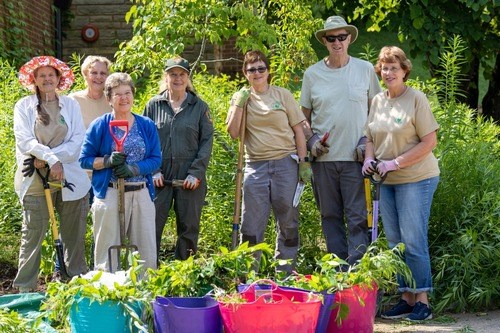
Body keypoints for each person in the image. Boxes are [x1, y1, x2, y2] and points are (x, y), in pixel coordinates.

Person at [362, 46, 440, 321]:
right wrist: (368, 159)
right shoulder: (378, 101)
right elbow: (370, 137)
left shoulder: (416, 98)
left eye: (394, 67)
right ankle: (406, 297)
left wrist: (394, 163)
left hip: (417, 178)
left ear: (405, 70)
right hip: (387, 180)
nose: (389, 72)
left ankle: (423, 301)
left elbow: (430, 141)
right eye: (384, 67)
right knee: (396, 242)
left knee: (413, 238)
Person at [300, 16, 382, 265]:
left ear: (349, 39)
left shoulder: (365, 69)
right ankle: (337, 270)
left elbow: (378, 111)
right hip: (323, 161)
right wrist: (312, 139)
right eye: (331, 38)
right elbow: (301, 118)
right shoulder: (312, 74)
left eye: (342, 37)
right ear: (324, 41)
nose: (337, 42)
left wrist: (366, 142)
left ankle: (357, 272)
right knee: (329, 216)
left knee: (358, 216)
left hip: (356, 159)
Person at [226, 50, 311, 273]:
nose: (257, 73)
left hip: (286, 164)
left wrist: (303, 162)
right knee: (251, 224)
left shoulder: (282, 95)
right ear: (245, 73)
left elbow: (298, 130)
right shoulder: (241, 97)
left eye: (261, 68)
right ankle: (250, 273)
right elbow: (233, 133)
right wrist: (239, 105)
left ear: (268, 70)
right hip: (256, 165)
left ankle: (285, 272)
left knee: (288, 221)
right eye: (252, 69)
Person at [13, 56, 90, 292]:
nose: (47, 79)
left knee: (73, 236)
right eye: (42, 75)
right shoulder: (24, 106)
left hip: (70, 177)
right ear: (34, 79)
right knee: (33, 235)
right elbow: (25, 139)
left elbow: (78, 140)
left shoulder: (70, 105)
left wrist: (51, 159)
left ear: (59, 79)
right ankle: (26, 289)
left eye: (51, 75)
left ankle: (76, 285)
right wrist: (50, 159)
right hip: (34, 177)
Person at [79, 72, 161, 271]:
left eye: (127, 93)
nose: (124, 98)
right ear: (108, 99)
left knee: (145, 253)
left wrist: (133, 168)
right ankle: (109, 292)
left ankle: (145, 296)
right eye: (117, 94)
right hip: (109, 192)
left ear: (133, 95)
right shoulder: (99, 125)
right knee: (107, 252)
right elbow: (84, 160)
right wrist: (107, 161)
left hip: (140, 192)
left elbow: (156, 160)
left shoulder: (146, 125)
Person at [143, 57, 214, 261]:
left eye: (182, 74)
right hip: (159, 177)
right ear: (166, 77)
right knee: (151, 226)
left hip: (189, 177)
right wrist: (152, 170)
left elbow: (207, 142)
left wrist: (196, 173)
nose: (177, 78)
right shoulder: (153, 105)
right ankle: (149, 272)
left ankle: (185, 273)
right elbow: (144, 140)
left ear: (188, 77)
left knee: (189, 228)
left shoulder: (199, 107)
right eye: (173, 74)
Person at [69, 55, 113, 128]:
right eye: (94, 73)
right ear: (85, 75)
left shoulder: (112, 101)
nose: (98, 77)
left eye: (103, 73)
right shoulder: (73, 100)